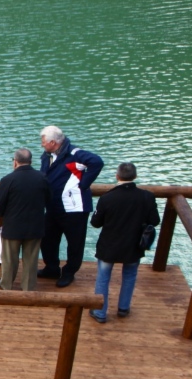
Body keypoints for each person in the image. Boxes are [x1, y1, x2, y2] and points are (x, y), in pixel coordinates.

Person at [88, 162, 159, 323]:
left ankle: (100, 312)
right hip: (134, 244)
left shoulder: (107, 198)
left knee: (103, 277)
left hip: (109, 245)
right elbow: (154, 220)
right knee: (130, 275)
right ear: (135, 176)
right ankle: (123, 308)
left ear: (117, 176)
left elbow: (95, 223)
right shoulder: (147, 196)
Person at [38, 125, 105, 288]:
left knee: (75, 243)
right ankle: (51, 267)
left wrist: (84, 184)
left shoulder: (75, 154)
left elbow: (97, 162)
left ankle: (69, 272)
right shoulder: (46, 156)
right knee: (47, 239)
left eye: (43, 141)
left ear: (53, 142)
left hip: (74, 209)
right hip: (53, 206)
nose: (41, 144)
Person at [0, 147, 50, 291]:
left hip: (13, 226)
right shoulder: (42, 178)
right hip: (35, 226)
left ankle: (6, 284)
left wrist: (5, 215)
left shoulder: (8, 179)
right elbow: (49, 199)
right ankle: (28, 288)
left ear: (15, 162)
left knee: (9, 259)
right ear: (30, 161)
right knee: (31, 260)